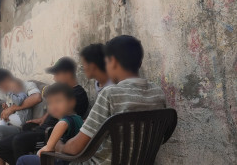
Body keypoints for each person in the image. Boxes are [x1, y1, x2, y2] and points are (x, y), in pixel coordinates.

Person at [54, 35, 167, 164]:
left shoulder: (110, 94)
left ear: (112, 61)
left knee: (26, 160)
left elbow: (75, 148)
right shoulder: (158, 93)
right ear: (140, 63)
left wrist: (60, 146)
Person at [0, 57, 88, 165]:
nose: (55, 79)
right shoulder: (63, 92)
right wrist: (42, 118)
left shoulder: (78, 94)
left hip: (50, 134)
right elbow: (56, 112)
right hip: (40, 130)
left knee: (19, 141)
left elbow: (67, 120)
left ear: (68, 73)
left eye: (56, 74)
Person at [16, 83, 84, 165]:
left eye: (58, 101)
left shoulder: (67, 119)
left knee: (22, 160)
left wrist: (49, 146)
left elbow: (63, 124)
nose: (53, 106)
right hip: (72, 159)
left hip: (64, 161)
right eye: (49, 103)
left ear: (71, 102)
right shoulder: (78, 118)